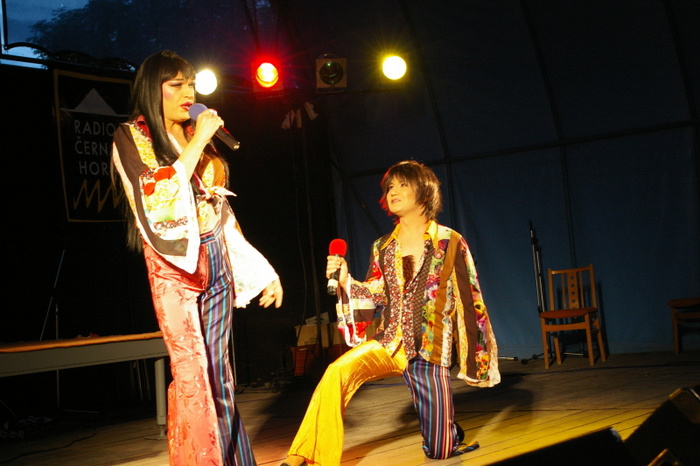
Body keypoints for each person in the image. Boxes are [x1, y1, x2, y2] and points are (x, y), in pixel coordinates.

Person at [111, 50, 283, 466]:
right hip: (174, 268)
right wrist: (199, 141)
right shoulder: (131, 137)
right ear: (152, 90)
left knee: (219, 374)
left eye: (191, 84)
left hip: (216, 257)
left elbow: (219, 210)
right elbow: (156, 196)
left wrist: (262, 270)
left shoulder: (193, 131)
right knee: (193, 374)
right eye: (177, 85)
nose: (189, 93)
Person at [282, 160, 499, 466]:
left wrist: (476, 358)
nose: (393, 192)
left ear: (424, 192)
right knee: (337, 372)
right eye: (390, 187)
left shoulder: (449, 241)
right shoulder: (382, 246)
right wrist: (345, 279)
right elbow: (376, 293)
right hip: (389, 343)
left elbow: (470, 298)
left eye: (403, 185)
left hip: (429, 350)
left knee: (439, 451)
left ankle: (446, 432)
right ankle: (305, 454)